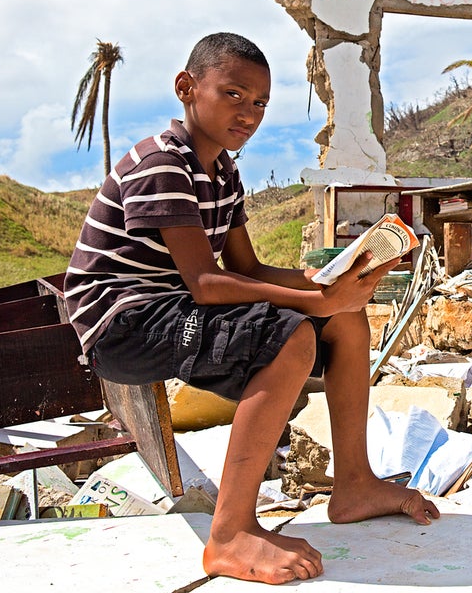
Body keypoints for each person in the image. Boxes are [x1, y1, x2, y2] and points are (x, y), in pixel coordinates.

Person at [64, 32, 438, 584]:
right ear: (186, 88)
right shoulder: (161, 164)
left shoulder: (223, 173)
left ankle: (354, 483)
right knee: (292, 335)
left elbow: (252, 272)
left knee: (346, 320)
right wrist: (314, 298)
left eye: (260, 102)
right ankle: (229, 536)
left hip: (170, 308)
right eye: (234, 94)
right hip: (122, 324)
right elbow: (208, 283)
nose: (249, 112)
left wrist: (331, 281)